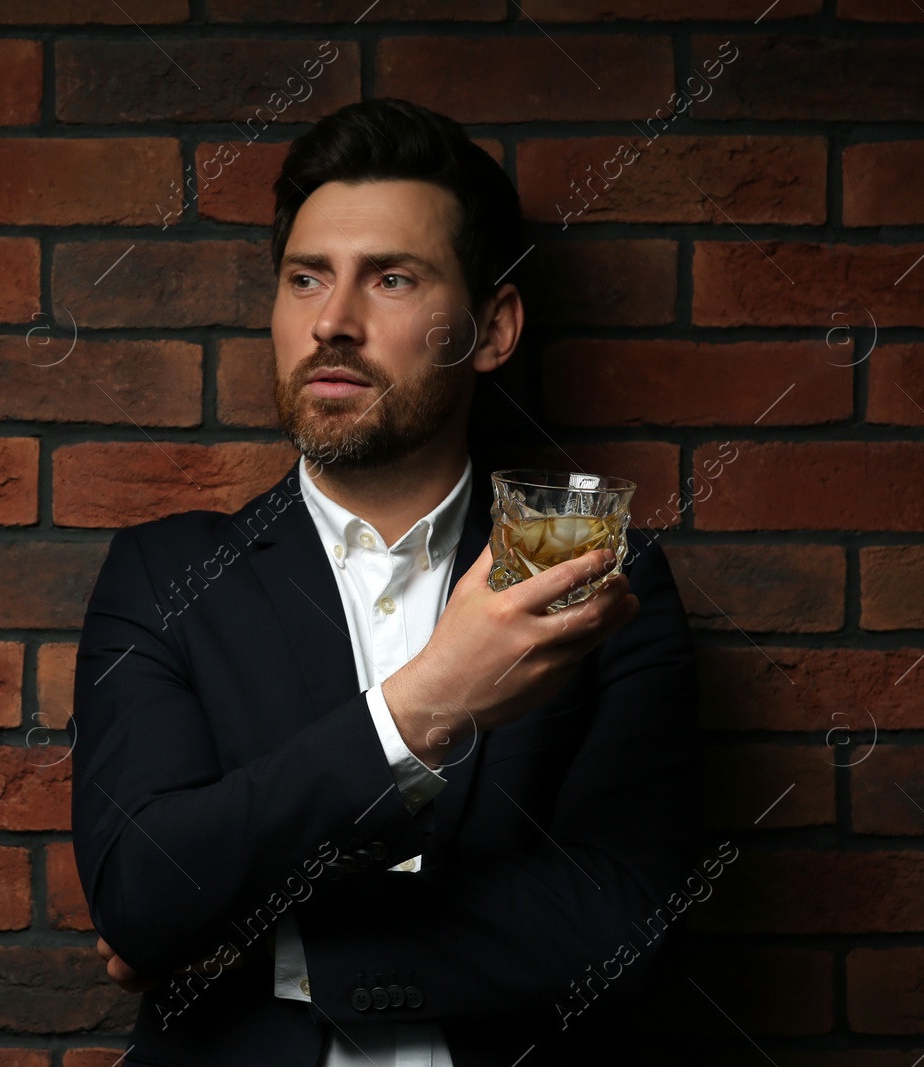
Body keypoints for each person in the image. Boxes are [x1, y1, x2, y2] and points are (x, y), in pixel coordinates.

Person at [70, 98, 703, 1066]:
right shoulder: (165, 574)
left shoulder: (602, 579)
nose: (333, 321)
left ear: (491, 329)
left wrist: (264, 941)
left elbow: (626, 931)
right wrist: (428, 703)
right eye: (305, 278)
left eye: (392, 278)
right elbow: (144, 896)